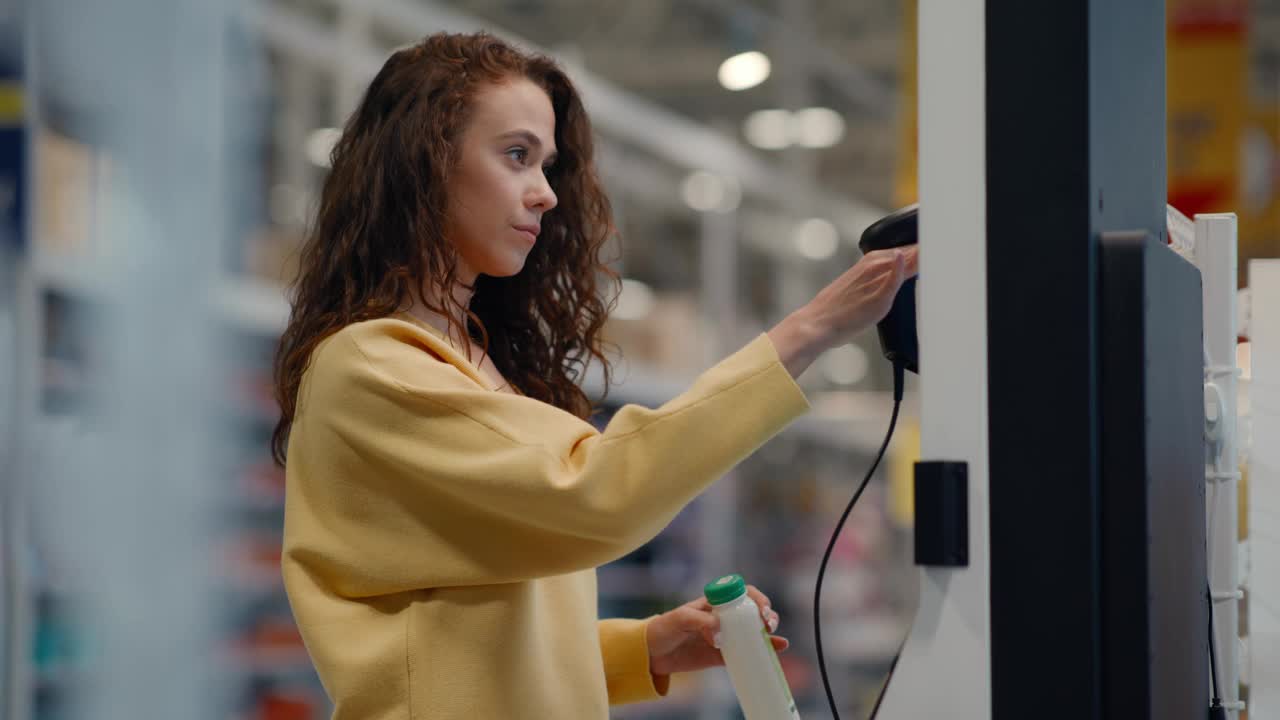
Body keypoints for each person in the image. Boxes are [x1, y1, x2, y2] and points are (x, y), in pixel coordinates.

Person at [271, 31, 919, 720]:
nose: (546, 194)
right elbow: (598, 492)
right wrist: (808, 331)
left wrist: (647, 647)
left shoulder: (469, 362)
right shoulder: (372, 368)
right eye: (517, 155)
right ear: (425, 162)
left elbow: (468, 633)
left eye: (547, 165)